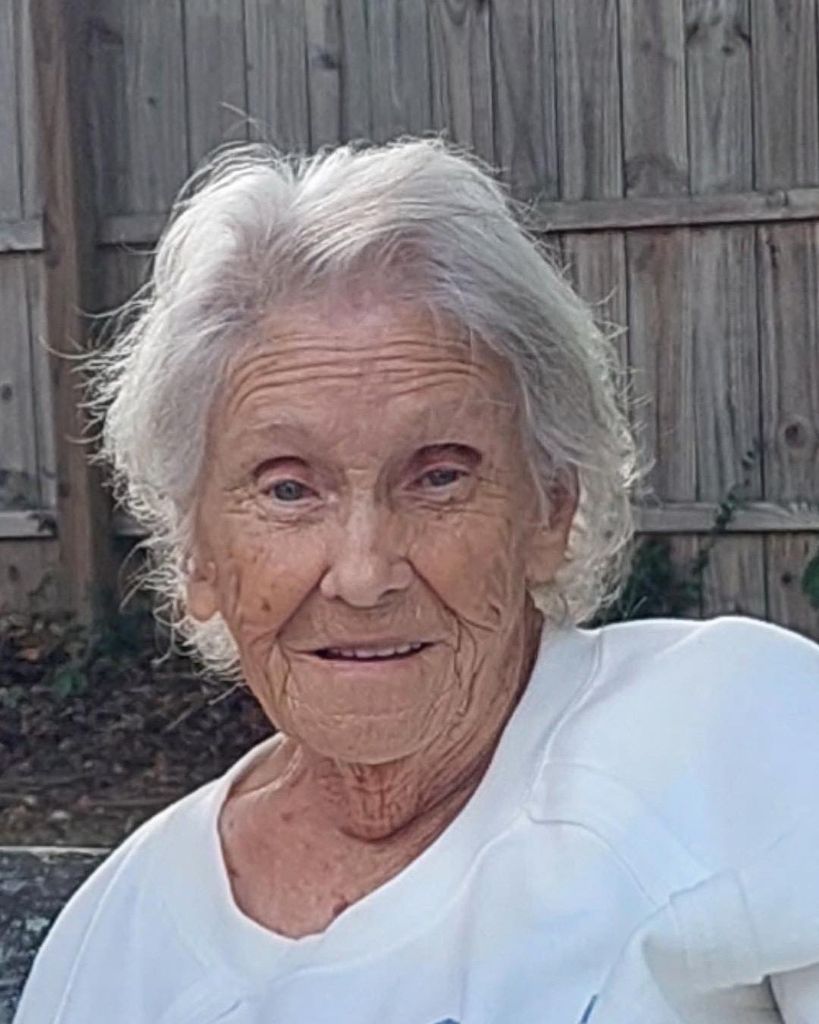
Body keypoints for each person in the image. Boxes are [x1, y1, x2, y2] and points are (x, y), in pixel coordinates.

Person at [13, 138, 819, 1024]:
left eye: (438, 476)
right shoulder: (115, 946)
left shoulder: (732, 735)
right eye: (288, 488)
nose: (363, 575)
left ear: (549, 510)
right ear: (197, 550)